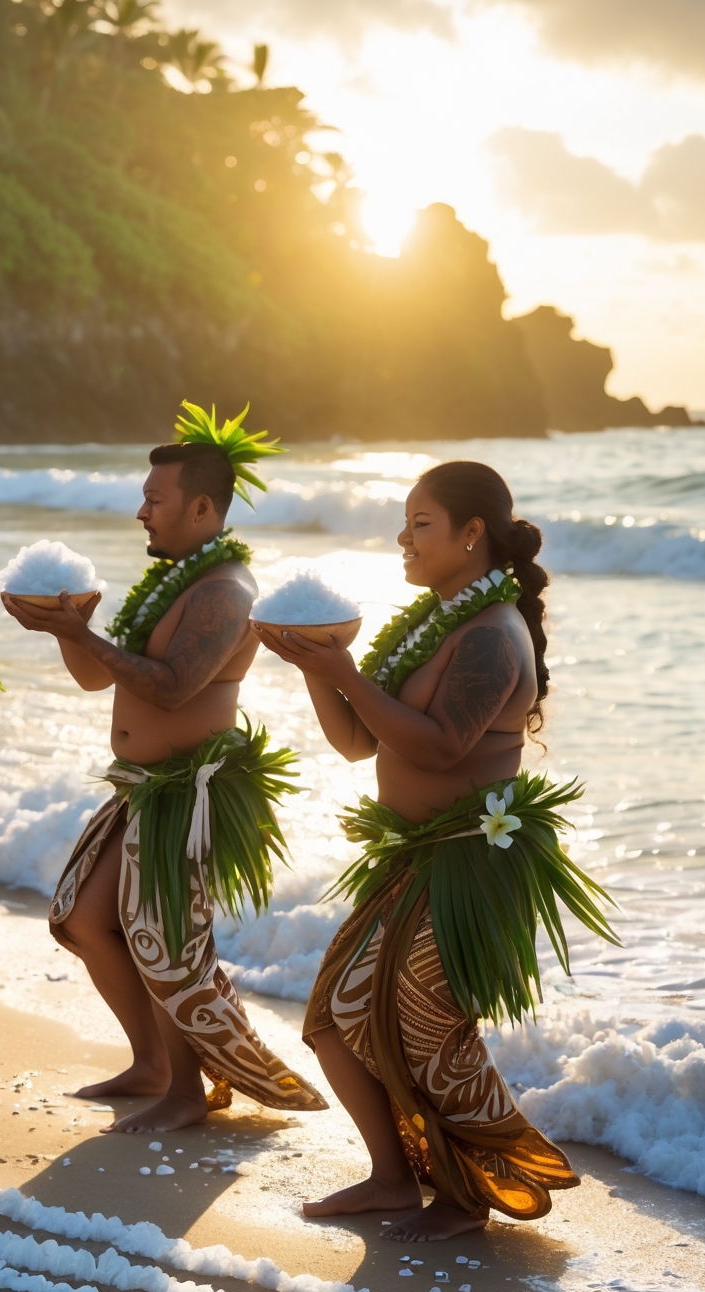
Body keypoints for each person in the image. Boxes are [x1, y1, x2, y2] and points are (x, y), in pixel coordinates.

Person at [255, 460, 616, 1241]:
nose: (404, 538)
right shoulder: (433, 625)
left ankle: (473, 1190)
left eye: (421, 523)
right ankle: (392, 1180)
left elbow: (447, 747)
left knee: (426, 1032)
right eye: (406, 522)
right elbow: (357, 740)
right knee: (331, 1019)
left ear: (470, 533)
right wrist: (318, 672)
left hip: (468, 865)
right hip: (411, 860)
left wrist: (344, 668)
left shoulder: (493, 635)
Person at [4, 402, 326, 1133]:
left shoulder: (225, 589)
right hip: (143, 790)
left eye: (156, 499)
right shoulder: (174, 580)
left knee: (165, 943)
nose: (141, 512)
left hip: (190, 790)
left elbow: (173, 684)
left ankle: (189, 1089)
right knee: (81, 919)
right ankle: (153, 1062)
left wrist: (82, 629)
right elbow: (100, 679)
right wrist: (67, 630)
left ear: (203, 507)